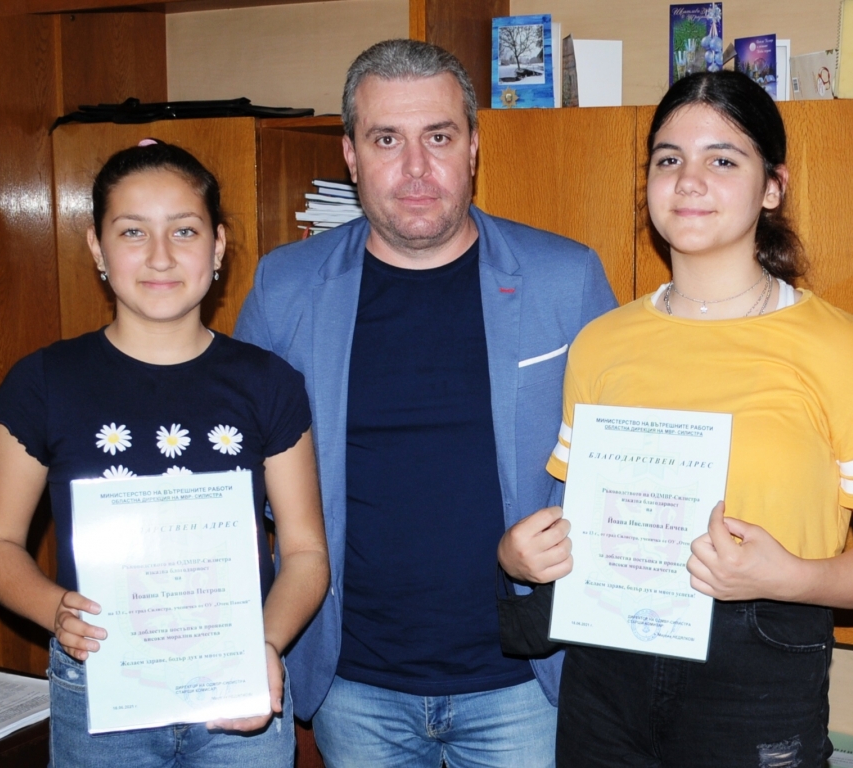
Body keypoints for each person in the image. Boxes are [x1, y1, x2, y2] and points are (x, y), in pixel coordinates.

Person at [234, 39, 617, 768]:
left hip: (523, 679)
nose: (415, 167)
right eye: (386, 139)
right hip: (354, 681)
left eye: (438, 137)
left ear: (472, 147)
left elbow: (617, 463)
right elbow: (236, 478)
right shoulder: (286, 287)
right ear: (350, 156)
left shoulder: (565, 278)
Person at [544, 70, 853, 766]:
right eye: (669, 159)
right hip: (606, 666)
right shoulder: (599, 343)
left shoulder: (844, 352)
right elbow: (585, 519)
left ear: (773, 187)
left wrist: (790, 577)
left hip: (760, 668)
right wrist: (532, 553)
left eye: (722, 160)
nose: (689, 181)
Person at [0, 140, 329, 768]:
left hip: (236, 682)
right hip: (100, 682)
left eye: (184, 230)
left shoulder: (269, 383)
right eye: (132, 231)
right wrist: (55, 609)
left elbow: (304, 552)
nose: (160, 256)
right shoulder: (45, 382)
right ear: (96, 248)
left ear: (217, 246)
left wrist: (264, 644)